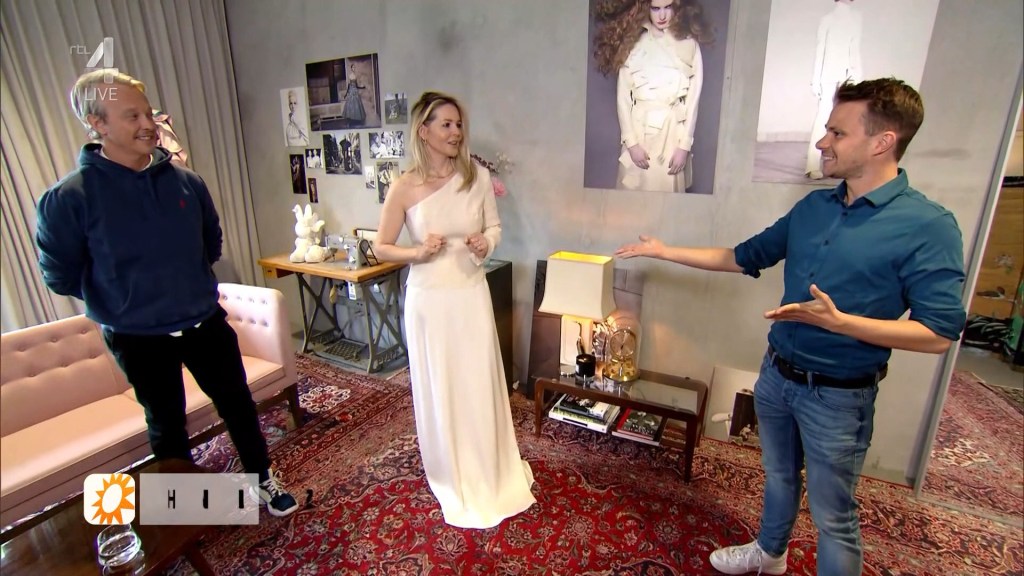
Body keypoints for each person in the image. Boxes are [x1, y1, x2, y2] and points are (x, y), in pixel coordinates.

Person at [616, 78, 966, 575]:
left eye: (837, 133)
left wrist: (842, 324)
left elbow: (938, 334)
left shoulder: (928, 226)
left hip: (839, 398)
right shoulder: (814, 208)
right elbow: (743, 256)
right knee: (779, 476)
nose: (823, 142)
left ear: (882, 142)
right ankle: (771, 552)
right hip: (776, 378)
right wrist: (663, 250)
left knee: (833, 518)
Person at [36, 70, 300, 517]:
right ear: (97, 124)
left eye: (148, 113)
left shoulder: (186, 182)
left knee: (238, 404)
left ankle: (261, 479)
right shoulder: (69, 199)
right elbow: (60, 276)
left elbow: (210, 245)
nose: (148, 125)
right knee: (166, 424)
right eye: (132, 116)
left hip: (203, 322)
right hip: (138, 338)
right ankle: (184, 508)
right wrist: (126, 298)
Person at [374, 91, 536, 528]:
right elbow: (381, 246)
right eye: (446, 124)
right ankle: (451, 471)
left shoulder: (476, 177)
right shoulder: (404, 187)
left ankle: (489, 466)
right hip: (429, 302)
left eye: (459, 124)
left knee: (477, 382)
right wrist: (416, 252)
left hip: (470, 295)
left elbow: (494, 227)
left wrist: (487, 243)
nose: (456, 132)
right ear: (423, 131)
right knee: (442, 387)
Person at [593, 0, 713, 193]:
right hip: (639, 134)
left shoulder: (690, 45)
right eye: (656, 8)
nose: (662, 15)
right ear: (645, 8)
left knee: (668, 201)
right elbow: (623, 99)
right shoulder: (633, 45)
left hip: (672, 137)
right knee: (631, 201)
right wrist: (631, 143)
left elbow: (693, 100)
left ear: (677, 7)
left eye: (668, 7)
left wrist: (684, 146)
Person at [806, 0, 863, 179]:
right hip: (829, 76)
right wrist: (816, 80)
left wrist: (858, 78)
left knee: (846, 121)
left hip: (847, 77)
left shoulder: (855, 19)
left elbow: (854, 52)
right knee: (824, 118)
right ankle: (812, 165)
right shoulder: (828, 20)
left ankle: (841, 165)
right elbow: (820, 51)